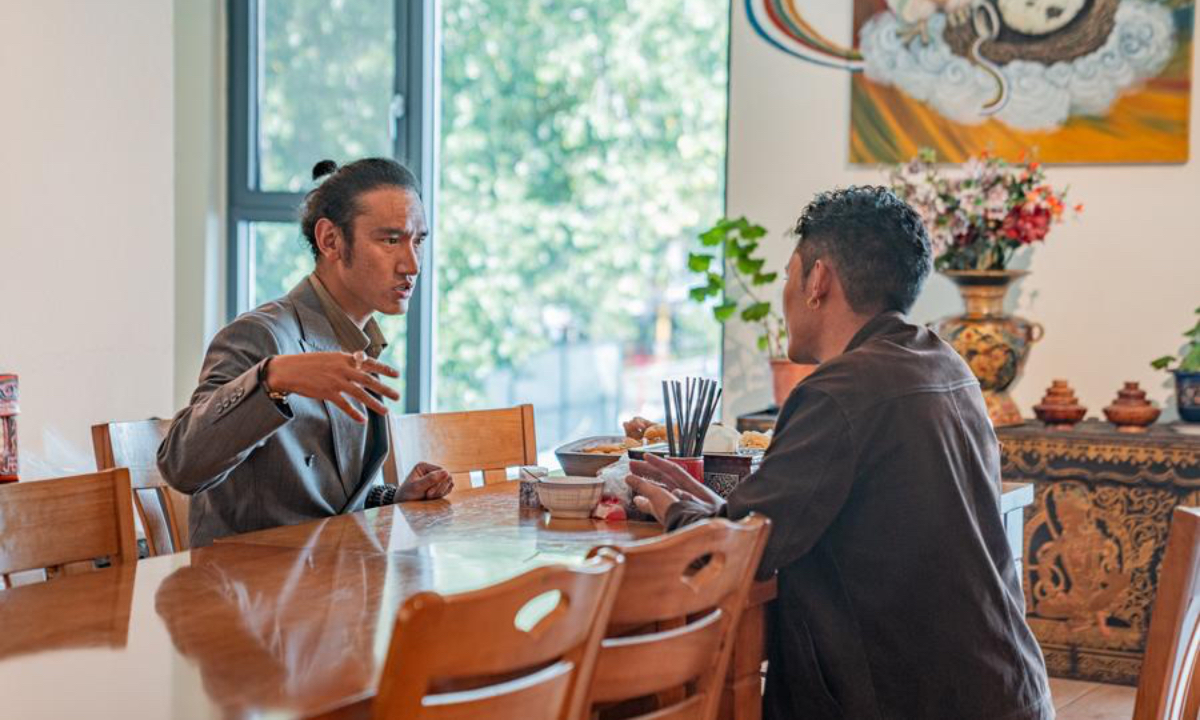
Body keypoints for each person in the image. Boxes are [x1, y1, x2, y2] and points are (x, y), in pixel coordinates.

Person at [627, 187, 1052, 719]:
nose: (785, 293)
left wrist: (673, 510)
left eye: (788, 275)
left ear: (818, 280)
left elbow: (740, 555)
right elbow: (767, 521)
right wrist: (708, 507)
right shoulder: (946, 366)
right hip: (1006, 694)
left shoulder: (842, 389)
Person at [159, 158, 452, 547]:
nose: (412, 264)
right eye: (390, 240)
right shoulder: (260, 335)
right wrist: (272, 380)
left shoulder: (358, 342)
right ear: (331, 240)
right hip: (247, 592)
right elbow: (181, 465)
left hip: (333, 585)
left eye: (418, 241)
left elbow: (327, 501)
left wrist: (393, 497)